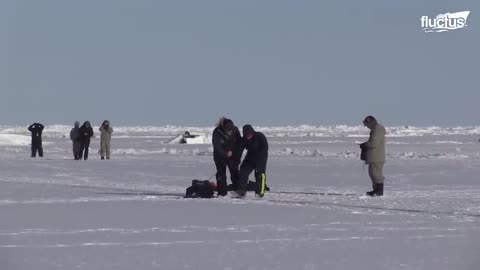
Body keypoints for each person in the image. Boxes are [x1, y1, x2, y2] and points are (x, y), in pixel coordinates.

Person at [235, 125, 269, 197]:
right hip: (250, 157)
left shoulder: (259, 136)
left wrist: (259, 158)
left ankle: (260, 192)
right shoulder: (243, 139)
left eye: (249, 134)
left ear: (252, 132)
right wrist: (236, 160)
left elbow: (265, 147)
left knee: (260, 175)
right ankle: (242, 190)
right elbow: (239, 151)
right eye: (246, 135)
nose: (248, 136)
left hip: (261, 157)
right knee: (243, 171)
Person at [212, 118, 243, 196]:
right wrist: (225, 153)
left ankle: (238, 191)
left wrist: (236, 156)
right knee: (221, 174)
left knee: (235, 173)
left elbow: (239, 144)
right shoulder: (217, 132)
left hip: (232, 156)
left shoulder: (235, 130)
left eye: (231, 130)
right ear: (223, 128)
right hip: (219, 156)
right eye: (228, 130)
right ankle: (222, 193)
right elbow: (217, 146)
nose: (229, 132)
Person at [360, 116, 386, 197]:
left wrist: (365, 145)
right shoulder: (376, 129)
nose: (367, 126)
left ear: (370, 122)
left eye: (367, 124)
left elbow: (373, 143)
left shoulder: (378, 129)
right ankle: (376, 190)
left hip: (376, 156)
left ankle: (379, 191)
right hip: (374, 156)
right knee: (372, 173)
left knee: (376, 174)